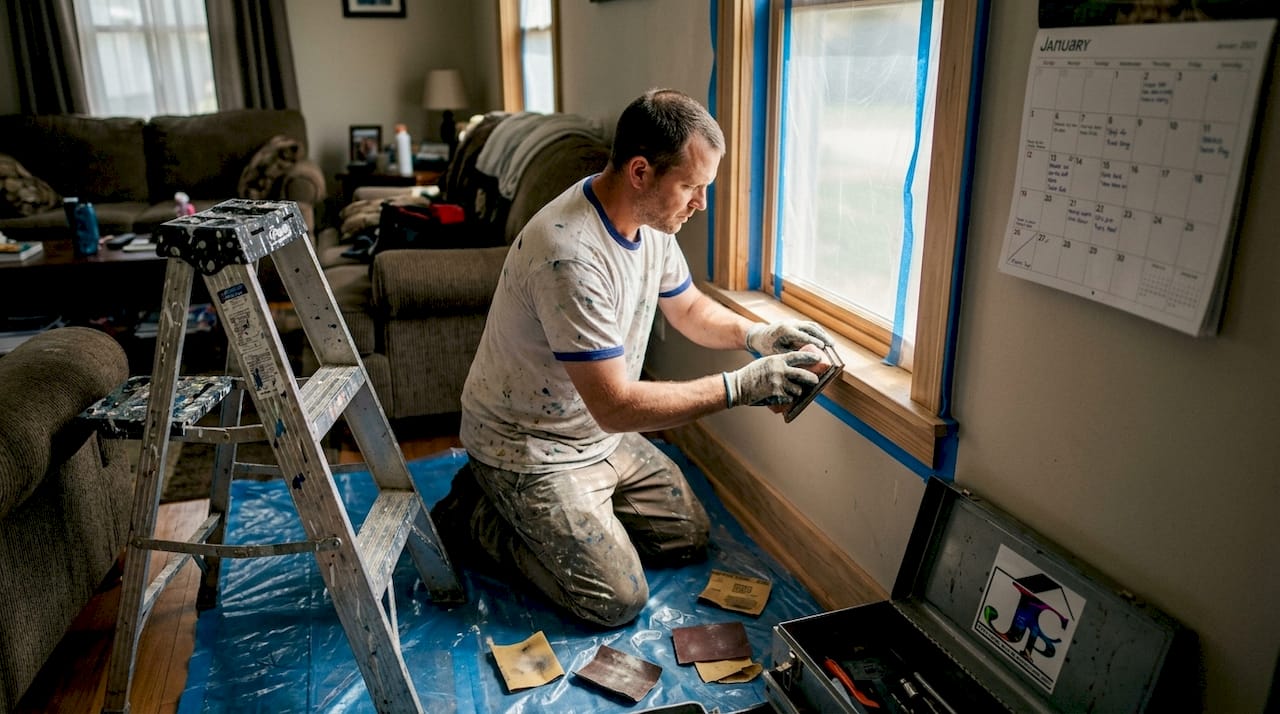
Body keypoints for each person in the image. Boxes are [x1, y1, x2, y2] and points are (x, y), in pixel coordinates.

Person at [432, 88, 833, 627]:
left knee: (685, 536)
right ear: (641, 172)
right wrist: (741, 387)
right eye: (691, 187)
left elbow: (688, 309)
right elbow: (616, 406)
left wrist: (760, 336)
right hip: (530, 445)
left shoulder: (649, 224)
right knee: (613, 600)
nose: (701, 203)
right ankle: (477, 513)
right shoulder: (569, 255)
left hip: (597, 435)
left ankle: (545, 511)